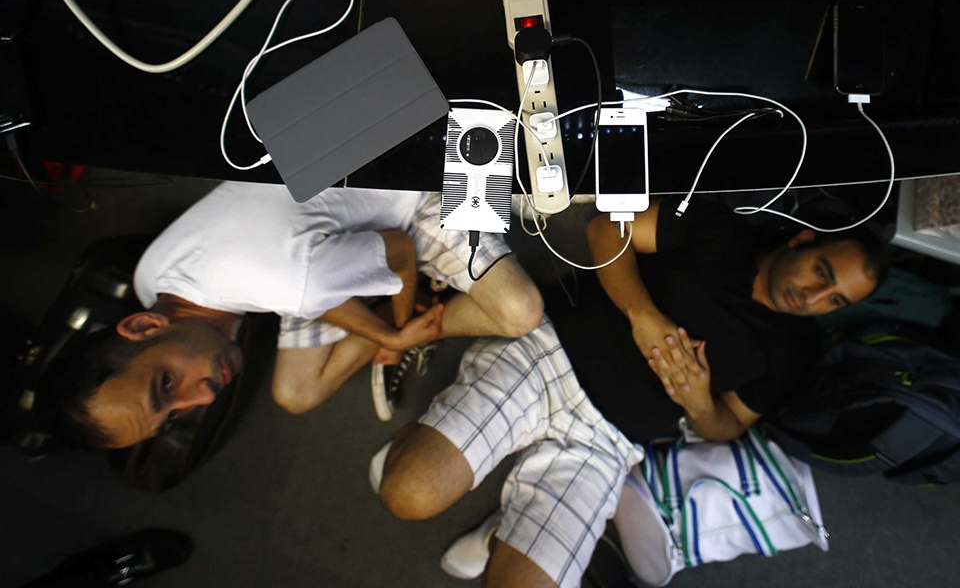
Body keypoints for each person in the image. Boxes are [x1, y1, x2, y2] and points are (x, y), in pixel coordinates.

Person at [372, 196, 885, 588]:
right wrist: (643, 316)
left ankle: (499, 524)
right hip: (549, 356)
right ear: (802, 240)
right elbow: (606, 229)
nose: (813, 297)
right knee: (407, 493)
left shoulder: (793, 351)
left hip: (607, 444)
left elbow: (727, 427)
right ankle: (441, 445)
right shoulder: (724, 232)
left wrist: (697, 400)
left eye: (834, 300)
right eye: (821, 273)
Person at [35, 183, 543, 450]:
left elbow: (400, 252)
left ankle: (425, 319)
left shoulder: (285, 281)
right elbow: (295, 283)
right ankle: (403, 326)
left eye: (167, 384)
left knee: (520, 312)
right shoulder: (152, 281)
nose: (202, 397)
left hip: (411, 197)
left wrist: (396, 327)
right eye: (172, 416)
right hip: (318, 237)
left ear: (144, 326)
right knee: (295, 393)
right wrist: (382, 333)